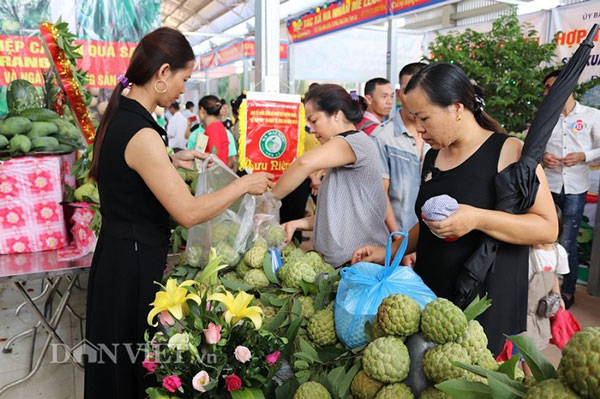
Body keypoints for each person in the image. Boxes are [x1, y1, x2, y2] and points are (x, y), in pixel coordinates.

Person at [85, 27, 273, 399]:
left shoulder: (122, 115)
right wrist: (241, 186)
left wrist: (170, 160)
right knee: (131, 368)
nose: (184, 90)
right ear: (162, 72)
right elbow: (187, 212)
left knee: (114, 366)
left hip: (118, 255)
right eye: (184, 79)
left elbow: (129, 170)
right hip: (132, 266)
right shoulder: (142, 134)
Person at [352, 63, 558, 355]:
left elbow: (547, 227)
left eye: (424, 118)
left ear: (457, 108)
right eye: (414, 119)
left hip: (486, 301)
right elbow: (429, 224)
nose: (419, 130)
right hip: (433, 294)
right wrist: (390, 251)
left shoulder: (510, 152)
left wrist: (477, 218)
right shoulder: (433, 156)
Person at [273, 84, 389, 267]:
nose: (310, 129)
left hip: (360, 263)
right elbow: (336, 216)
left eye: (314, 120)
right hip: (342, 265)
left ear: (336, 114)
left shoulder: (355, 142)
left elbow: (304, 163)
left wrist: (270, 198)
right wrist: (297, 224)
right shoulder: (339, 158)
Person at [542, 69, 600, 309]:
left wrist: (583, 156)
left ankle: (567, 291)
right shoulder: (546, 115)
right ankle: (544, 288)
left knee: (568, 242)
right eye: (545, 87)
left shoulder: (591, 115)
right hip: (549, 186)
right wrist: (544, 156)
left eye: (551, 86)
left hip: (575, 189)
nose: (547, 91)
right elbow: (535, 147)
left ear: (568, 87)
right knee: (543, 239)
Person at [371, 63, 428, 267]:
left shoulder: (439, 136)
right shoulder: (383, 137)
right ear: (399, 93)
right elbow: (380, 193)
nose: (415, 98)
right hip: (396, 240)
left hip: (431, 239)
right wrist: (401, 243)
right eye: (408, 90)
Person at [521, 206, 568, 375]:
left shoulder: (558, 252)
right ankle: (529, 377)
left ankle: (530, 376)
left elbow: (554, 276)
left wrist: (558, 296)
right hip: (523, 309)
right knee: (525, 347)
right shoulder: (526, 251)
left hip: (541, 310)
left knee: (535, 345)